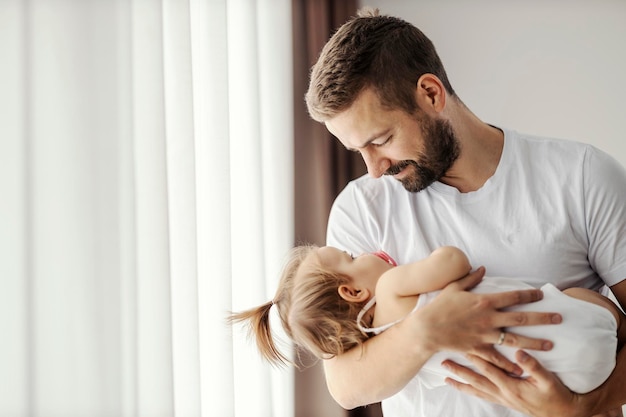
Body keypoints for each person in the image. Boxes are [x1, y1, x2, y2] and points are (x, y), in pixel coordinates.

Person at [304, 6, 626, 417]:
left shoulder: (581, 177)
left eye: (381, 139)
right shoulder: (361, 208)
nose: (374, 169)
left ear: (431, 93)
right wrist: (424, 330)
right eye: (358, 151)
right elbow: (347, 386)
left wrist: (586, 404)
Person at [229, 245, 623, 400]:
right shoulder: (390, 286)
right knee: (580, 302)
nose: (365, 252)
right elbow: (455, 263)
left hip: (571, 379)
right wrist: (434, 256)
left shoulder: (388, 351)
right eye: (351, 256)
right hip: (574, 321)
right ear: (353, 292)